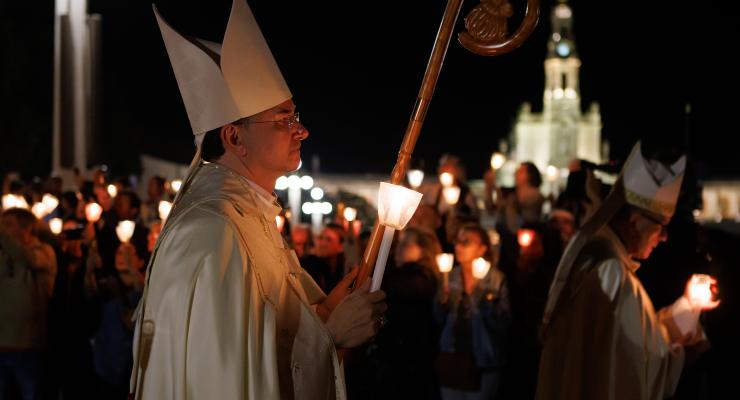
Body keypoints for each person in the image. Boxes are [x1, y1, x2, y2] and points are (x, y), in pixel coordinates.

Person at [130, 2, 386, 399]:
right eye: (283, 120)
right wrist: (330, 337)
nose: (301, 130)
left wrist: (324, 313)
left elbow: (267, 338)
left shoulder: (249, 215)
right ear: (234, 138)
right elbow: (224, 382)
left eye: (294, 116)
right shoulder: (212, 230)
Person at [536, 142, 719, 400]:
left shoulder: (598, 254)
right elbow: (634, 368)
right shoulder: (611, 271)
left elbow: (633, 338)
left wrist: (686, 308)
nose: (664, 237)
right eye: (660, 226)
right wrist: (683, 346)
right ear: (635, 221)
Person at [435, 223, 510, 400]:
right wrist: (441, 303)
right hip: (452, 356)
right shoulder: (451, 276)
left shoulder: (495, 279)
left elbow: (503, 322)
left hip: (483, 361)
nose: (458, 246)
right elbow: (438, 319)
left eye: (466, 242)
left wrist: (482, 299)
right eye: (457, 241)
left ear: (482, 248)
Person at [0, 208, 57, 400]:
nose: (3, 229)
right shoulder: (4, 254)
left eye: (8, 224)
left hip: (28, 346)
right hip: (2, 344)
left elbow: (27, 259)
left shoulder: (43, 251)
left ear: (26, 229)